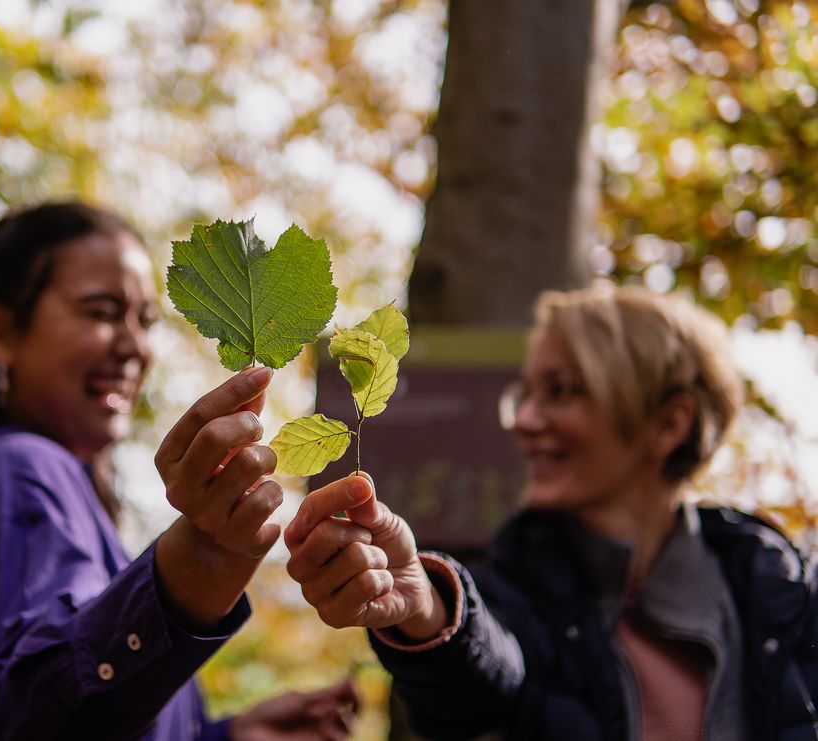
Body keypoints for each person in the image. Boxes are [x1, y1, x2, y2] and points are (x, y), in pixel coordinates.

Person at [0, 201, 358, 740]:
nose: (134, 347)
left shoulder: (63, 491)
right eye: (102, 312)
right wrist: (206, 553)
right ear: (0, 331)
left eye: (145, 320)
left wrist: (224, 736)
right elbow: (49, 718)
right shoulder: (13, 470)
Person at [284, 285, 818, 740]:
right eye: (528, 393)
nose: (524, 421)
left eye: (561, 392)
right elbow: (487, 676)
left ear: (667, 425)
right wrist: (427, 610)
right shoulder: (518, 581)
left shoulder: (779, 590)